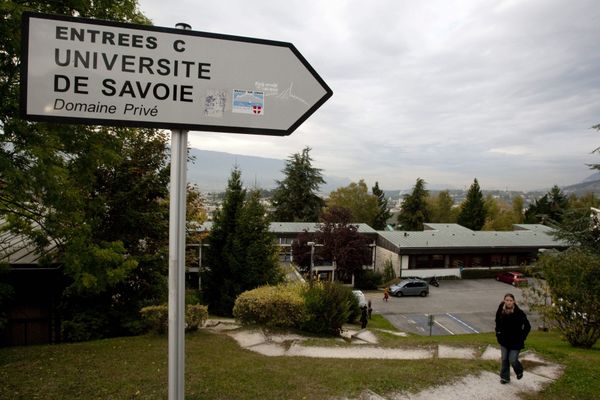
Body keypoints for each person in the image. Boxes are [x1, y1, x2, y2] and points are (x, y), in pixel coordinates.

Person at [495, 293, 531, 384]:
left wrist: (522, 337)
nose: (509, 302)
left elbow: (527, 326)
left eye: (511, 300)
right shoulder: (500, 311)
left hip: (516, 342)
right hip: (504, 340)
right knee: (504, 359)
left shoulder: (519, 313)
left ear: (514, 301)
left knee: (512, 359)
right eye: (507, 300)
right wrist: (498, 333)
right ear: (504, 301)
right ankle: (505, 377)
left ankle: (519, 370)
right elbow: (497, 322)